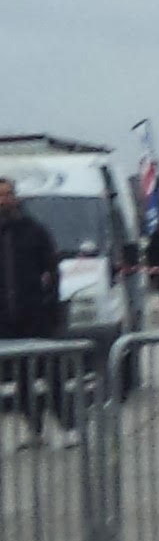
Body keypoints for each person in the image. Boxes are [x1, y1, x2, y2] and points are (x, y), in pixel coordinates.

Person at [0, 176, 74, 445]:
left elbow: (52, 270)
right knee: (20, 379)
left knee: (51, 373)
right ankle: (35, 430)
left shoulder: (33, 230)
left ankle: (67, 428)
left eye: (7, 194)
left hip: (37, 316)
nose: (3, 200)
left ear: (15, 198)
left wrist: (49, 303)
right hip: (6, 320)